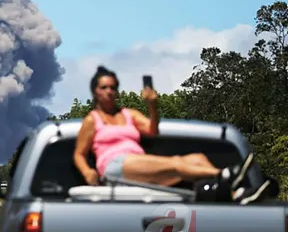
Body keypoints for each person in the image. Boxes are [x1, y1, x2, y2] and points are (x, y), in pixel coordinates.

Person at [72, 66, 264, 202]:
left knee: (197, 158)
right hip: (115, 166)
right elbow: (79, 154)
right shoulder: (93, 119)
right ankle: (226, 174)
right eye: (104, 88)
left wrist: (153, 106)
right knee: (177, 164)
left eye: (113, 87)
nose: (109, 92)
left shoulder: (129, 114)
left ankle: (235, 195)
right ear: (95, 92)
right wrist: (88, 172)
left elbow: (152, 131)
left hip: (138, 166)